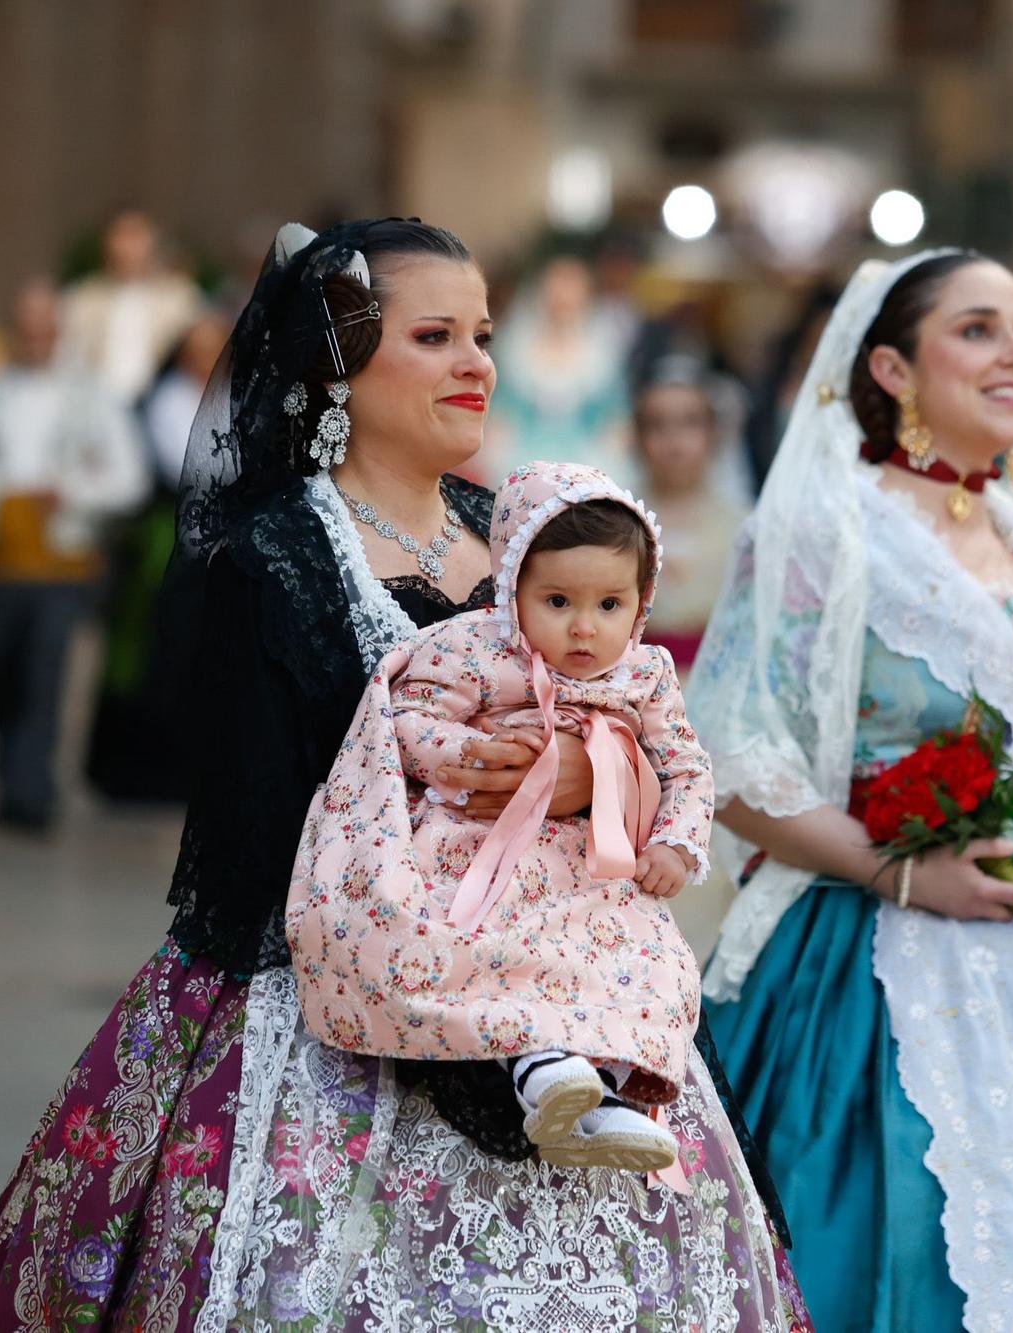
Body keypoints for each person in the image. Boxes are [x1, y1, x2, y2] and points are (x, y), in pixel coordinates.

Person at [0, 219, 806, 1332]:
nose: (476, 363)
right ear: (334, 365)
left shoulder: (523, 532)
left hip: (567, 967)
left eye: (482, 334)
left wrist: (588, 778)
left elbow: (642, 716)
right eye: (434, 335)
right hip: (340, 977)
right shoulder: (270, 553)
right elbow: (252, 836)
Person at [691, 250, 1013, 1331]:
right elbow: (729, 753)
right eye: (976, 329)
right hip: (870, 956)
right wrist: (897, 868)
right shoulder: (824, 529)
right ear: (888, 366)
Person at [289, 464, 710, 1172]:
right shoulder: (476, 647)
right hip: (485, 846)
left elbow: (686, 767)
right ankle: (542, 1068)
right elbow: (410, 714)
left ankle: (599, 1091)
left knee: (649, 965)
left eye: (610, 604)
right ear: (512, 589)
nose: (584, 627)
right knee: (496, 951)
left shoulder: (643, 674)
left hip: (593, 862)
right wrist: (471, 751)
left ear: (641, 601)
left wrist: (674, 841)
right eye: (557, 600)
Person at [0, 277, 150, 830]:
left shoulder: (93, 396)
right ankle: (9, 773)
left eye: (47, 327)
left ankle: (31, 790)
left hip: (63, 561)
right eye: (28, 327)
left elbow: (128, 476)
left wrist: (74, 492)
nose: (38, 337)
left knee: (46, 665)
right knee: (1, 668)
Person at [84, 311, 233, 803]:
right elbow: (190, 467)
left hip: (218, 545)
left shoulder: (233, 399)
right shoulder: (167, 400)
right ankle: (134, 772)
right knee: (151, 654)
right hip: (166, 546)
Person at [626, 356, 752, 672]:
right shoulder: (616, 522)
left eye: (690, 422)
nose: (674, 440)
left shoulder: (741, 525)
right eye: (658, 425)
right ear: (638, 437)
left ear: (714, 434)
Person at [485, 254, 632, 476]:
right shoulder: (514, 351)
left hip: (590, 465)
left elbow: (615, 421)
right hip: (521, 463)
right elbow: (502, 416)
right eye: (556, 285)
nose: (563, 296)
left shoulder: (604, 354)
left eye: (572, 286)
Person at [58, 209, 206, 403]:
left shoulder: (180, 298)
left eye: (136, 235)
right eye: (121, 236)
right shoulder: (82, 299)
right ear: (106, 242)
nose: (129, 247)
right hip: (99, 403)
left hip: (161, 403)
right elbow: (66, 360)